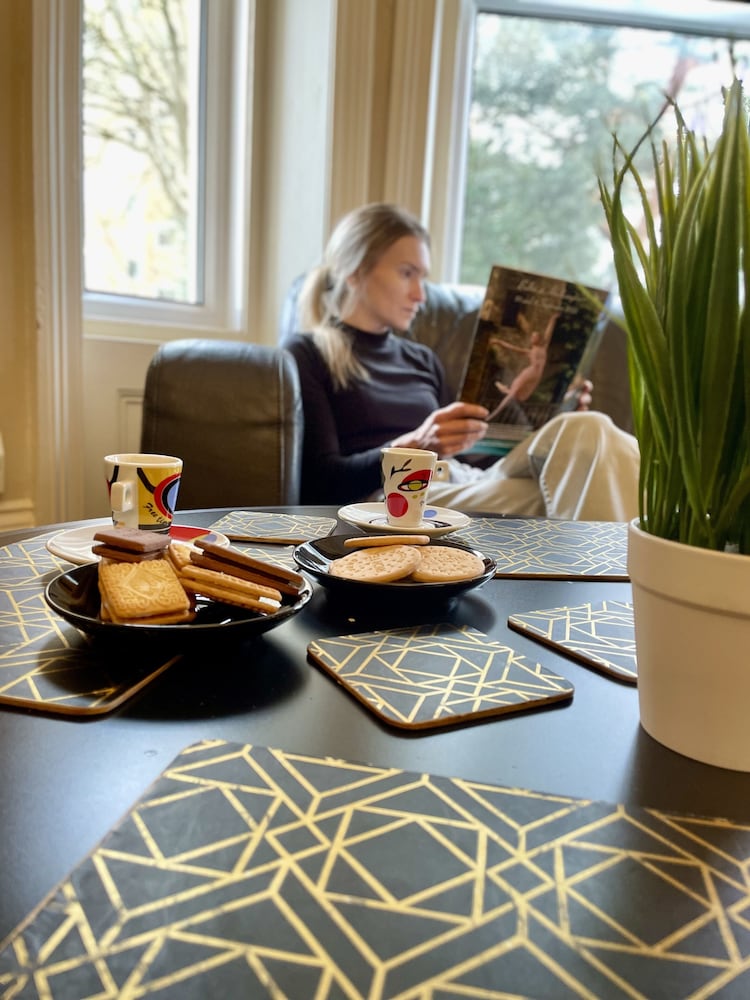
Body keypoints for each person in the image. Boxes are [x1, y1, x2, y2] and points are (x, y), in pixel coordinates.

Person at [284, 203, 639, 521]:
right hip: (393, 495)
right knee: (579, 465)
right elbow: (320, 482)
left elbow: (473, 457)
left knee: (586, 431)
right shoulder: (307, 354)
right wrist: (415, 446)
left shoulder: (420, 358)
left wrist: (554, 412)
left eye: (423, 278)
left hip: (458, 481)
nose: (420, 295)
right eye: (407, 273)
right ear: (354, 270)